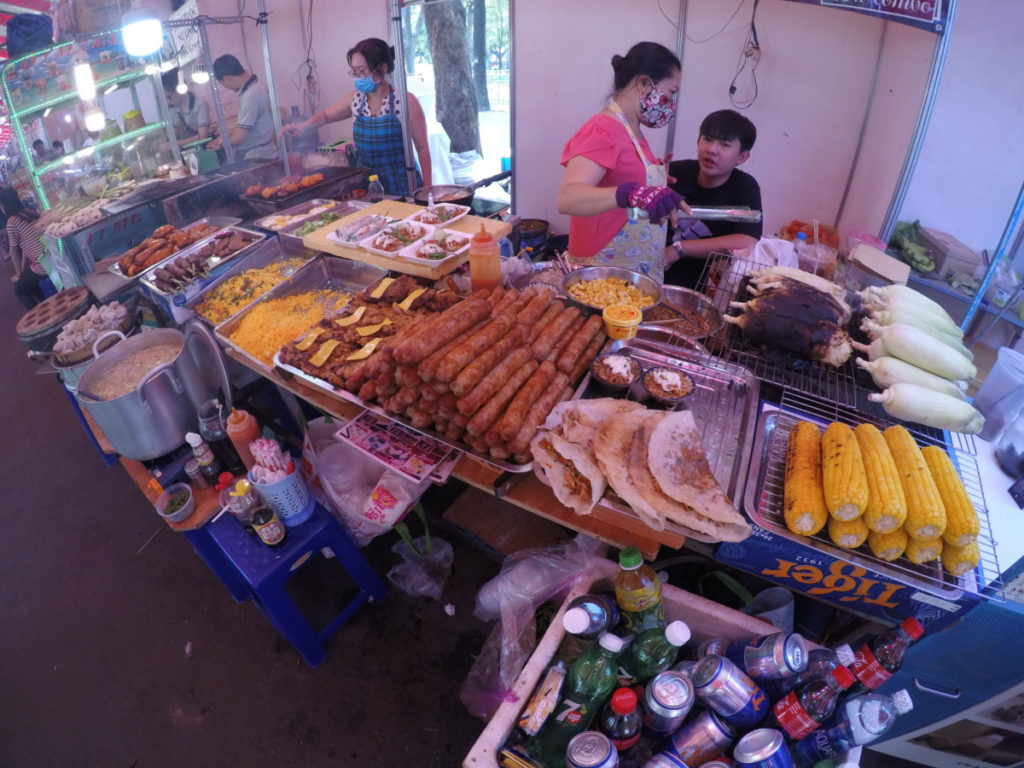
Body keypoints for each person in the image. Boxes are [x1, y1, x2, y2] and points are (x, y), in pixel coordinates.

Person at [556, 42, 689, 283]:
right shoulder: (603, 130)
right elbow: (568, 198)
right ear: (644, 84)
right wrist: (633, 191)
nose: (671, 103)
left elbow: (621, 182)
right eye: (671, 92)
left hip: (630, 270)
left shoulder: (633, 130)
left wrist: (651, 180)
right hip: (601, 272)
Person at [280, 38, 431, 197]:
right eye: (354, 72)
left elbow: (423, 148)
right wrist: (300, 127)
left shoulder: (406, 101)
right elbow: (324, 116)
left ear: (383, 67)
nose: (358, 77)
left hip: (404, 185)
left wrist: (427, 189)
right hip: (369, 186)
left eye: (362, 71)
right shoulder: (356, 100)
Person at [664, 109, 762, 288]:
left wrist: (678, 249)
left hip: (691, 286)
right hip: (648, 269)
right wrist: (652, 177)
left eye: (724, 144)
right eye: (707, 139)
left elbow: (746, 241)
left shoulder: (744, 187)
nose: (711, 150)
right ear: (698, 141)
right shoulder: (674, 173)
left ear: (742, 156)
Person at [208, 54, 279, 162]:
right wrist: (232, 131)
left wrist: (220, 142)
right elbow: (252, 124)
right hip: (260, 154)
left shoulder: (251, 95)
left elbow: (238, 138)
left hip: (259, 158)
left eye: (222, 83)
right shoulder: (255, 86)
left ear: (228, 78)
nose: (225, 87)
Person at [1, 188, 47, 309]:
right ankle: (45, 305)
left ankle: (38, 315)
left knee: (19, 288)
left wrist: (19, 274)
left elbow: (14, 252)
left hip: (44, 265)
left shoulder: (12, 222)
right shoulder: (30, 212)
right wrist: (21, 271)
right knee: (27, 280)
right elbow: (26, 248)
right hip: (52, 258)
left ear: (3, 205)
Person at [161, 68, 211, 146]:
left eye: (169, 97)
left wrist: (172, 145)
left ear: (178, 89)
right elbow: (177, 130)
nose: (167, 102)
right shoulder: (174, 108)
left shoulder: (200, 105)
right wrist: (165, 140)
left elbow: (202, 138)